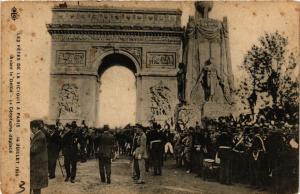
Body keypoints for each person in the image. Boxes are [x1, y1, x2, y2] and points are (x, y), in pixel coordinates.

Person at [30, 120, 48, 194]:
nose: (32, 130)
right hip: (38, 165)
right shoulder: (39, 135)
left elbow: (33, 150)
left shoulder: (40, 136)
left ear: (36, 128)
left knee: (36, 187)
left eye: (32, 128)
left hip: (37, 166)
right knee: (35, 186)